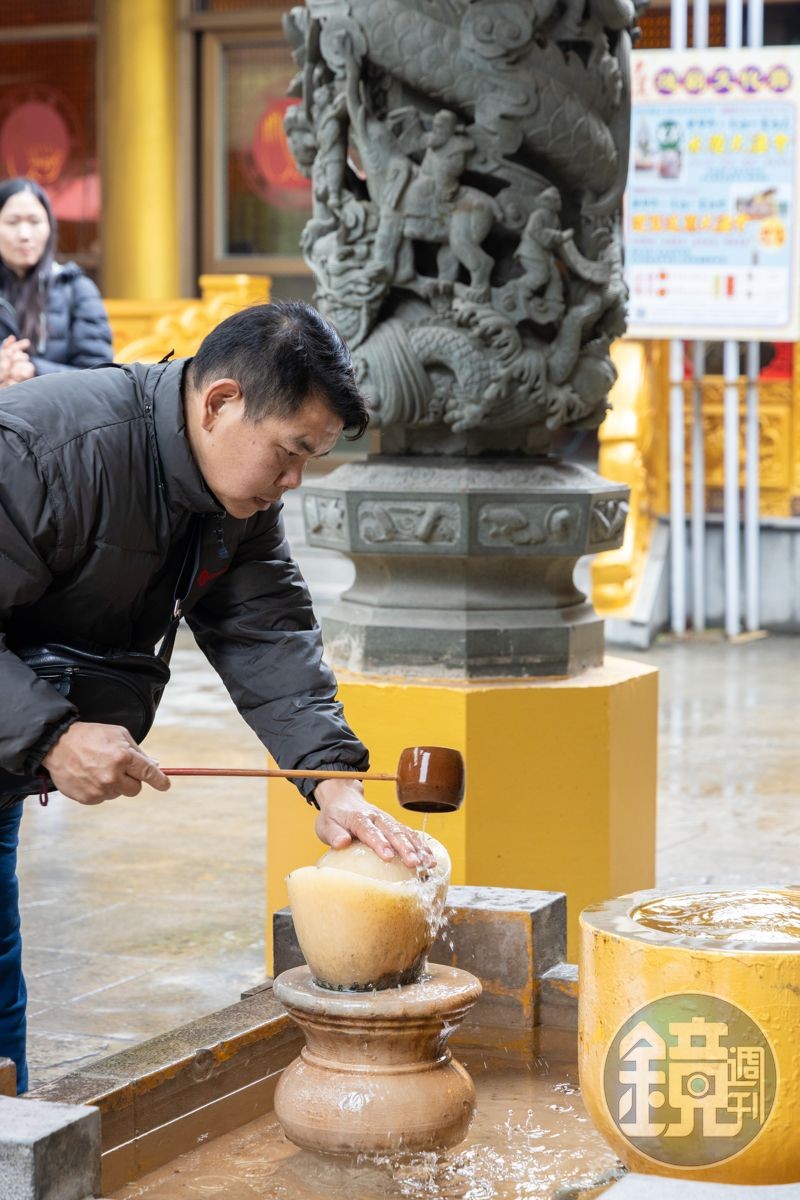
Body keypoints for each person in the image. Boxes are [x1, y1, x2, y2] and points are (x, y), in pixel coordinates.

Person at [0, 300, 433, 1094]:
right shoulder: (43, 449)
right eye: (292, 451)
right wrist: (51, 738)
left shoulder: (237, 500)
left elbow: (266, 631)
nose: (295, 479)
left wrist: (331, 783)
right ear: (219, 402)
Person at [0, 177, 113, 387]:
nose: (24, 235)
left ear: (50, 227)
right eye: (12, 222)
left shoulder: (78, 290)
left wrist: (34, 370)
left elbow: (102, 380)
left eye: (34, 222)